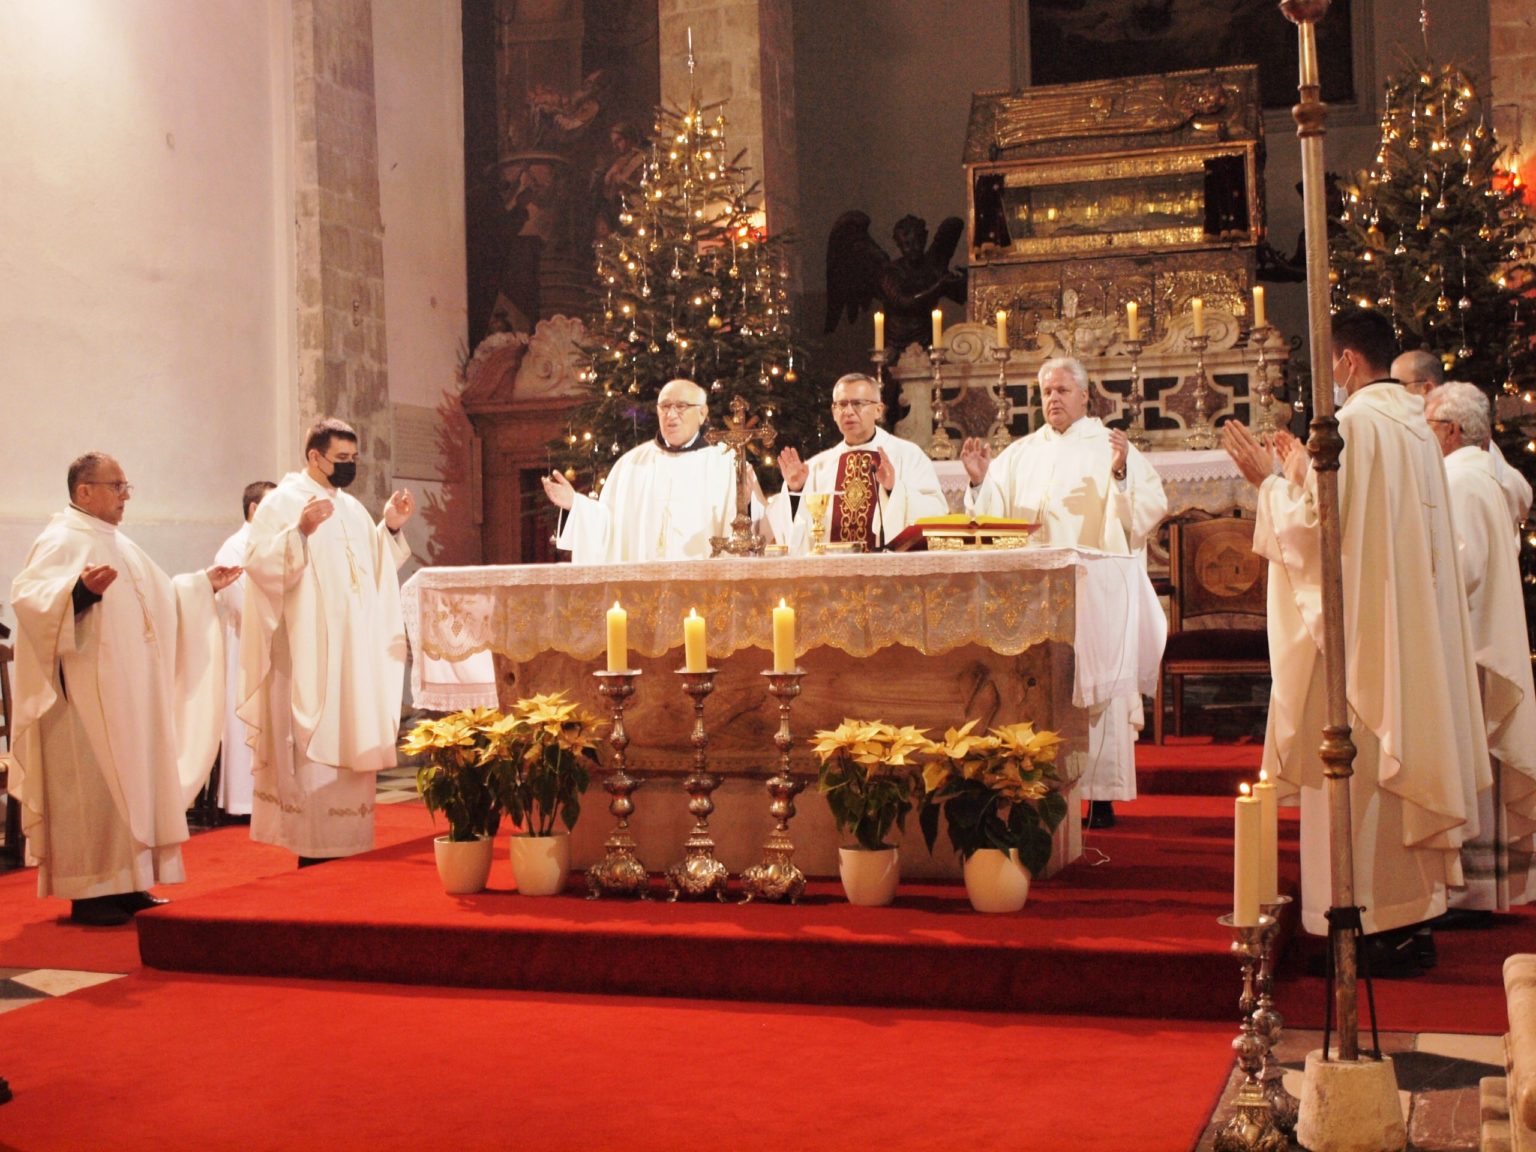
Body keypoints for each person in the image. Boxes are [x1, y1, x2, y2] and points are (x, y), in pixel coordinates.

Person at [1222, 309, 1488, 970]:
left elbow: (1319, 538)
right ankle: (1411, 917)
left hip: (1365, 640)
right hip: (1408, 627)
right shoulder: (1413, 425)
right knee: (1398, 760)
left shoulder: (1354, 427)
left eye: (1326, 365)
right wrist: (1297, 475)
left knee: (1363, 769)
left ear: (1344, 361)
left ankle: (1363, 924)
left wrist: (1266, 485)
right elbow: (1355, 518)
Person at [9, 453, 240, 925]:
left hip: (128, 698)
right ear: (83, 492)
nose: (125, 496)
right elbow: (28, 602)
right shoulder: (60, 539)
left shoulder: (119, 543)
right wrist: (78, 594)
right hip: (81, 706)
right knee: (92, 794)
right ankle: (91, 893)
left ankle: (130, 883)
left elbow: (159, 599)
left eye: (126, 486)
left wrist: (201, 588)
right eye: (116, 486)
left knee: (132, 789)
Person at [960, 357, 1169, 827]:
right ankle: (1034, 785)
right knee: (1039, 684)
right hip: (1033, 593)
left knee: (1093, 689)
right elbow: (993, 521)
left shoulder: (1110, 446)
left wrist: (1118, 475)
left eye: (1062, 390)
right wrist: (979, 481)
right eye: (1046, 391)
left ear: (1084, 396)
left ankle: (1100, 796)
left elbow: (1148, 508)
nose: (1052, 398)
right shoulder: (1020, 453)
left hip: (1091, 589)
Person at [238, 419, 415, 865]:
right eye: (342, 459)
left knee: (350, 729)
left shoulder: (352, 508)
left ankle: (349, 843)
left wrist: (390, 528)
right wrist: (297, 533)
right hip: (310, 651)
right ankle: (314, 850)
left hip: (352, 651)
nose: (349, 466)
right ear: (315, 457)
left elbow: (371, 566)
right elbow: (258, 563)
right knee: (316, 739)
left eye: (354, 458)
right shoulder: (281, 503)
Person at [1425, 381, 1536, 910]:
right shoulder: (1483, 475)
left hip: (1471, 643)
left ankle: (1471, 892)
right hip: (1484, 636)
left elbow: (1462, 568)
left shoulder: (1460, 481)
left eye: (1429, 427)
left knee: (1475, 761)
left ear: (1450, 431)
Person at [542, 379, 747, 563]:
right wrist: (576, 505)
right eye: (665, 407)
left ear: (702, 413)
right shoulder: (631, 464)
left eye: (681, 406)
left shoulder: (728, 462)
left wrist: (748, 504)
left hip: (704, 589)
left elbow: (751, 531)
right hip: (642, 591)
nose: (671, 414)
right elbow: (608, 529)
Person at [767, 373, 947, 552]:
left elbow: (936, 512)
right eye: (842, 404)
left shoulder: (908, 455)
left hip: (887, 573)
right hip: (833, 574)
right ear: (834, 412)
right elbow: (794, 536)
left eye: (858, 404)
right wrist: (796, 491)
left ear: (879, 410)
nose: (849, 411)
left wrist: (894, 488)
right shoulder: (818, 466)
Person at [1395, 348, 1530, 527]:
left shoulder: (1470, 453)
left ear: (1426, 388)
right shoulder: (1408, 438)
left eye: (1399, 386)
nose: (1393, 395)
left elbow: (1519, 492)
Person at [211, 480, 275, 820]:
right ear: (253, 510)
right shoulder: (233, 549)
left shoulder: (277, 545)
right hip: (247, 648)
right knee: (246, 721)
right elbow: (238, 600)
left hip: (278, 649)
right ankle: (243, 803)